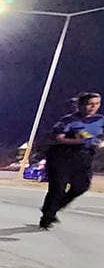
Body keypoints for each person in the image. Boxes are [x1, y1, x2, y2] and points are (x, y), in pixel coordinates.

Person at [40, 91, 102, 229]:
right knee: (58, 188)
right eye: (90, 104)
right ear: (80, 105)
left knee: (81, 186)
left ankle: (53, 207)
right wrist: (77, 141)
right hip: (62, 155)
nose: (93, 107)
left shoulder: (100, 120)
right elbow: (59, 137)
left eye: (97, 104)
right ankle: (47, 217)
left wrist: (99, 143)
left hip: (84, 156)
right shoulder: (68, 120)